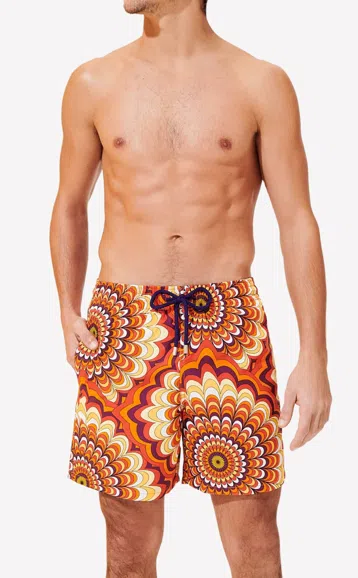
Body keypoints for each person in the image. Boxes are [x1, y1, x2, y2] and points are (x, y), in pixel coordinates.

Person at [50, 1, 332, 576]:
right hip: (124, 324)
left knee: (254, 541)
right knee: (127, 545)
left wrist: (315, 356)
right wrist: (66, 307)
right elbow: (69, 203)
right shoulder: (92, 82)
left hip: (228, 322)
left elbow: (297, 220)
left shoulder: (260, 83)